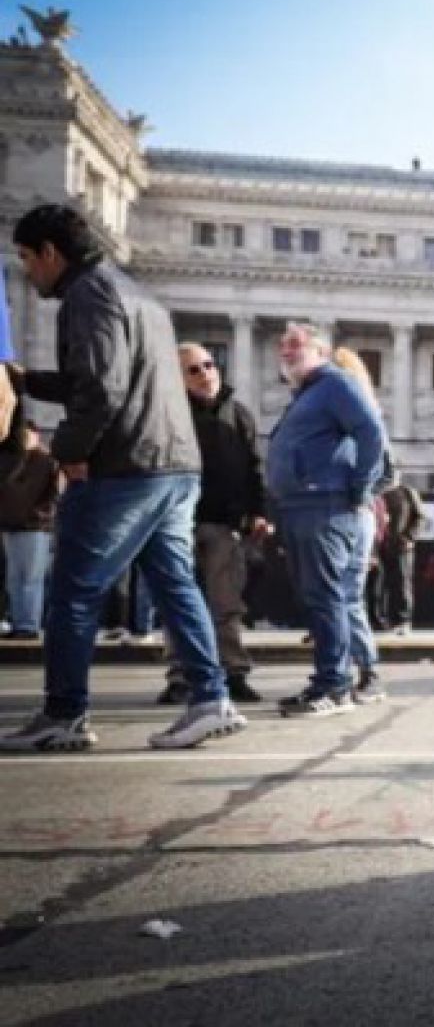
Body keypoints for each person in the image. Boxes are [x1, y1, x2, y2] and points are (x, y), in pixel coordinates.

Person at [0, 204, 245, 751]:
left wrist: (68, 451)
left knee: (74, 592)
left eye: (25, 258)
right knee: (175, 585)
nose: (26, 271)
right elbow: (113, 379)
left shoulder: (87, 296)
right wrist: (29, 380)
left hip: (126, 468)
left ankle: (65, 713)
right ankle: (210, 699)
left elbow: (103, 390)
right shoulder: (139, 296)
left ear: (50, 253)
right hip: (173, 465)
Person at [267, 322, 387, 717]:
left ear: (320, 350)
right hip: (305, 505)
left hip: (325, 505)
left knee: (327, 597)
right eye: (282, 345)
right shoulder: (310, 393)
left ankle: (334, 686)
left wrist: (360, 487)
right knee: (322, 598)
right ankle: (329, 682)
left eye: (296, 344)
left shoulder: (335, 384)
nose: (286, 351)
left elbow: (371, 431)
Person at [158, 344, 268, 705]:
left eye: (210, 364)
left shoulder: (239, 415)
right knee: (179, 603)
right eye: (193, 369)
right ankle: (180, 676)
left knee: (227, 604)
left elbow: (254, 469)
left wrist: (258, 512)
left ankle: (234, 672)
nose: (206, 373)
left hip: (224, 525)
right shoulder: (167, 413)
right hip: (178, 521)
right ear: (179, 378)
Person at [331, 346, 388, 702]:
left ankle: (364, 671)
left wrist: (357, 494)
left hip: (350, 513)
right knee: (335, 596)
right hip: (342, 512)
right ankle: (343, 672)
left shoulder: (362, 417)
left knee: (345, 596)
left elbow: (388, 473)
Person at [0, 420, 60, 640]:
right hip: (13, 525)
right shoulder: (12, 459)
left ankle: (28, 625)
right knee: (15, 578)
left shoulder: (46, 461)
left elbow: (52, 492)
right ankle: (20, 622)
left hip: (34, 526)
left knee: (29, 578)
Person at [374, 474, 423, 637]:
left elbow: (420, 517)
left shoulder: (408, 493)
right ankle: (380, 619)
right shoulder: (376, 493)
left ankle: (403, 620)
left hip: (401, 546)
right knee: (378, 584)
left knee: (402, 583)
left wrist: (410, 537)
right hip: (379, 546)